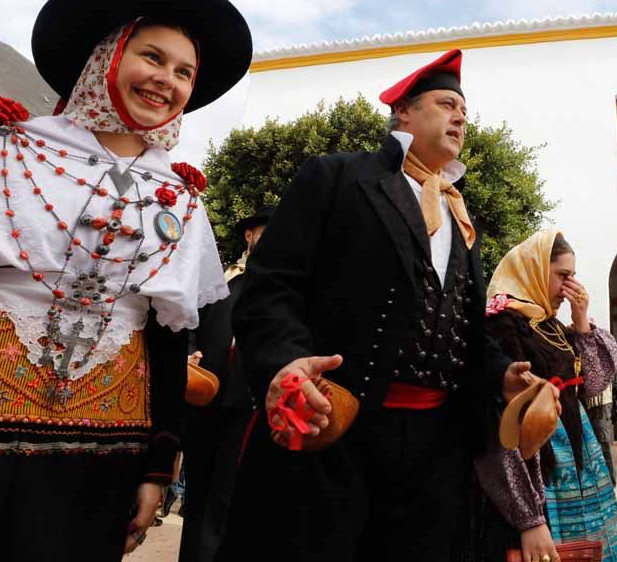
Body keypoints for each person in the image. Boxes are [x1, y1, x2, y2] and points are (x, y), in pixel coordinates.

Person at [0, 0, 251, 560]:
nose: (166, 80)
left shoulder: (182, 202)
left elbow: (168, 340)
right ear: (107, 58)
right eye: (153, 57)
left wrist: (156, 468)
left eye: (183, 72)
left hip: (103, 449)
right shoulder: (0, 147)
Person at [219, 50, 530, 561]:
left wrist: (501, 375)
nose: (460, 117)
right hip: (337, 429)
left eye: (465, 112)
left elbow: (461, 325)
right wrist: (284, 362)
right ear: (404, 111)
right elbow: (271, 289)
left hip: (435, 451)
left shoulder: (461, 214)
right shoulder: (336, 177)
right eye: (447, 103)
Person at [472, 230, 617, 562]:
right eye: (562, 275)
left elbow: (595, 382)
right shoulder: (502, 324)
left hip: (576, 447)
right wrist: (527, 514)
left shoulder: (551, 324)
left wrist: (581, 320)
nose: (569, 286)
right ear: (533, 268)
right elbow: (502, 421)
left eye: (573, 276)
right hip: (538, 460)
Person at [178, 205, 273, 562]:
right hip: (205, 401)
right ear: (249, 235)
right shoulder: (221, 281)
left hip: (248, 406)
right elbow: (188, 323)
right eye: (265, 232)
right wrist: (189, 354)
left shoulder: (277, 287)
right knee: (198, 494)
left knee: (228, 497)